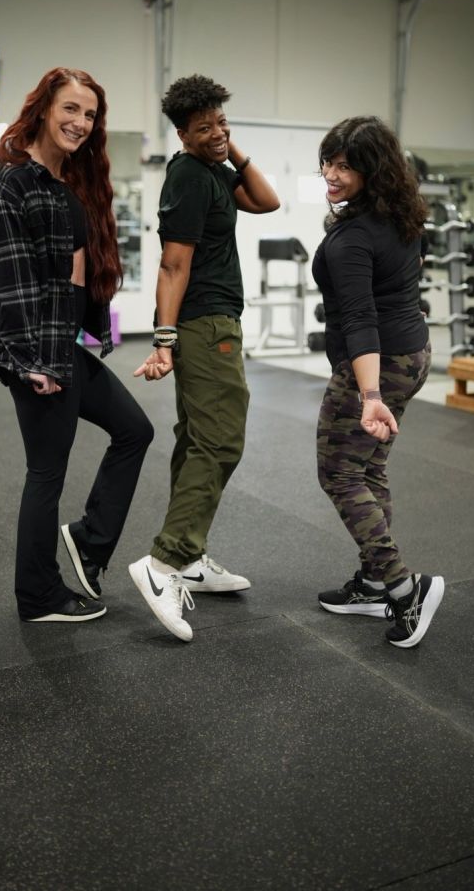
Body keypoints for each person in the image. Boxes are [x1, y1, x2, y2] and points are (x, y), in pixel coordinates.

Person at [0, 67, 154, 623]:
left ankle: (88, 538)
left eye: (90, 114)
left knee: (135, 430)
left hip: (63, 346)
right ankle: (38, 597)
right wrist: (33, 362)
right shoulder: (14, 186)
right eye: (70, 109)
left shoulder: (65, 181)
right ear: (44, 110)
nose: (80, 122)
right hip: (38, 355)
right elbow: (8, 284)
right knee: (46, 473)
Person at [129, 74, 280, 641]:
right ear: (181, 134)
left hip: (215, 321)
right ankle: (165, 561)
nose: (217, 133)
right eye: (203, 128)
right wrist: (163, 339)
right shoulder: (191, 176)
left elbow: (266, 201)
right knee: (220, 440)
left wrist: (228, 147)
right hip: (204, 324)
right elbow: (173, 264)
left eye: (222, 122)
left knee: (197, 437)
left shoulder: (213, 168)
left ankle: (189, 557)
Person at [312, 116, 443, 648]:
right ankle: (371, 584)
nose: (332, 173)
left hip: (377, 362)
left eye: (346, 166)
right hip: (413, 354)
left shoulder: (353, 238)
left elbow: (361, 317)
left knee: (340, 473)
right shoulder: (403, 217)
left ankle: (404, 588)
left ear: (373, 171)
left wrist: (368, 395)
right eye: (329, 161)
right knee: (369, 468)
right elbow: (407, 277)